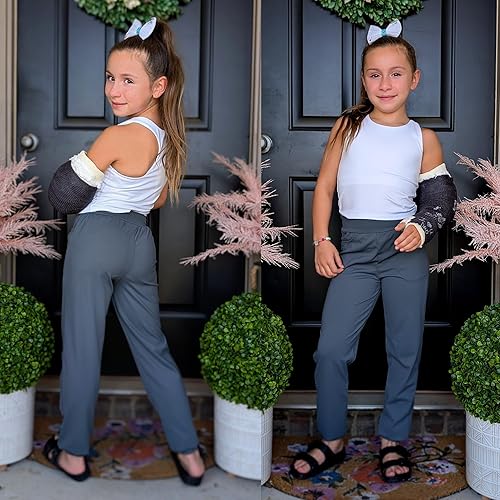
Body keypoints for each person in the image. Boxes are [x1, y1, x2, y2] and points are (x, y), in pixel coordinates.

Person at [289, 20, 457, 483]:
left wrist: (421, 228)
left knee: (404, 349)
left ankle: (392, 439)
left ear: (414, 79)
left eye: (396, 73)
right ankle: (331, 438)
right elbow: (325, 188)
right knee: (330, 351)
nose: (385, 84)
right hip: (355, 251)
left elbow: (440, 197)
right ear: (363, 80)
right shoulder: (348, 127)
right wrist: (321, 240)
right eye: (375, 74)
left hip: (403, 251)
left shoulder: (423, 138)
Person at [43, 17, 206, 486]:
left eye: (127, 80)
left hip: (96, 239)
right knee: (153, 349)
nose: (114, 89)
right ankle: (190, 454)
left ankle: (73, 453)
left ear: (158, 86)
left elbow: (62, 195)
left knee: (82, 349)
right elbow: (154, 200)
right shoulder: (169, 139)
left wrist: (89, 173)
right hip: (138, 242)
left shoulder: (117, 136)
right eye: (110, 77)